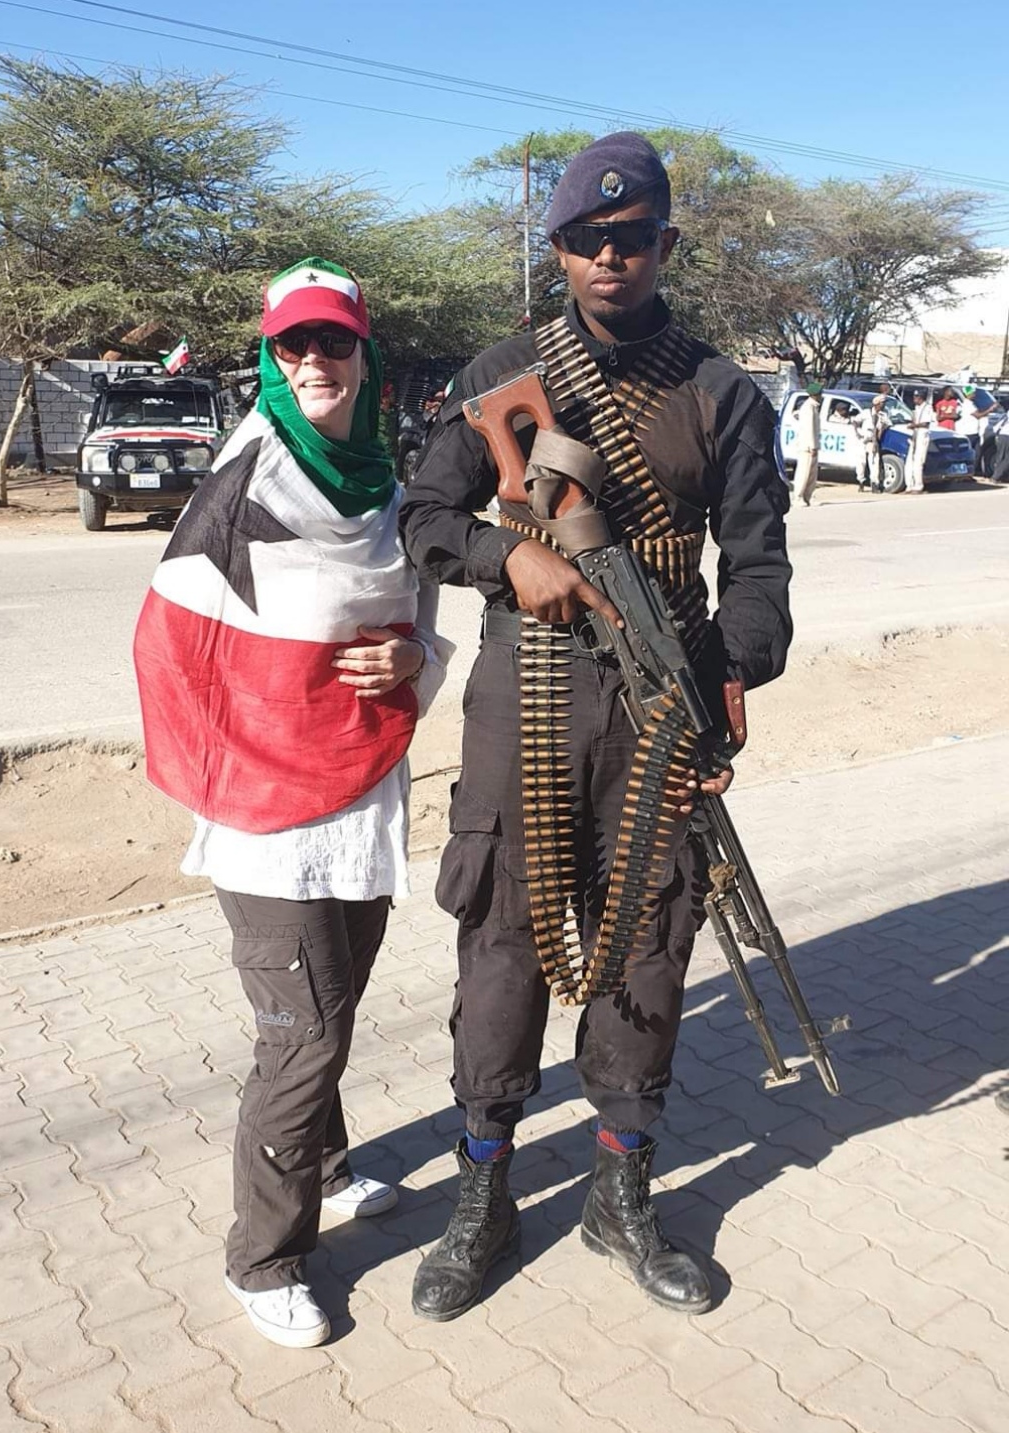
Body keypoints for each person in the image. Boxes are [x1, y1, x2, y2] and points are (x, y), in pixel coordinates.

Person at [400, 133, 792, 1323]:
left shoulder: (721, 391)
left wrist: (722, 676)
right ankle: (487, 1189)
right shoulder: (505, 370)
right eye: (586, 239)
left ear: (666, 244)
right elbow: (421, 510)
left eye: (633, 238)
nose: (610, 256)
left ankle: (620, 1191)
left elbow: (761, 570)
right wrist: (504, 551)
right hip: (526, 689)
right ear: (558, 249)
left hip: (655, 706)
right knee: (505, 940)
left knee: (650, 940)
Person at [133, 257, 451, 1349]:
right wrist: (277, 708)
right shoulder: (243, 483)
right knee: (302, 1037)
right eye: (291, 345)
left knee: (333, 1008)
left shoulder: (385, 482)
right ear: (269, 358)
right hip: (267, 811)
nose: (313, 360)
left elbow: (422, 626)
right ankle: (262, 1254)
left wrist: (409, 660)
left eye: (333, 342)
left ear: (366, 354)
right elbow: (183, 647)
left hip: (360, 790)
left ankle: (326, 1161)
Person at [793, 384, 822, 505]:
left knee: (812, 474)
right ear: (815, 395)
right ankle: (798, 497)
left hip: (812, 444)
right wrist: (812, 445)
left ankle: (807, 496)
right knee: (803, 473)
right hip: (807, 446)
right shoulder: (808, 407)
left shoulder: (814, 407)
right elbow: (808, 428)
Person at [856, 394, 888, 491]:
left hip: (873, 441)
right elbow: (855, 421)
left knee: (874, 462)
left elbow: (886, 425)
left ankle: (874, 483)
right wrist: (858, 432)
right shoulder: (866, 413)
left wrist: (882, 428)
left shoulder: (883, 415)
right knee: (861, 462)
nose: (883, 405)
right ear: (877, 404)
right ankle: (860, 481)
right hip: (863, 440)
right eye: (882, 403)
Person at [907, 388, 935, 493]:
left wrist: (914, 425)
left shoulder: (927, 408)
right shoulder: (917, 408)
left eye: (916, 397)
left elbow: (925, 423)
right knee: (912, 461)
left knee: (918, 461)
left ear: (921, 398)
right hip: (915, 435)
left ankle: (918, 486)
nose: (914, 399)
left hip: (922, 435)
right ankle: (910, 484)